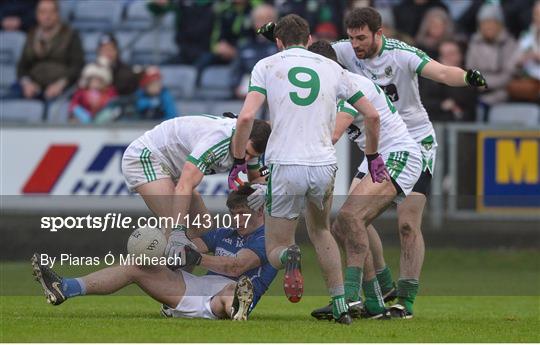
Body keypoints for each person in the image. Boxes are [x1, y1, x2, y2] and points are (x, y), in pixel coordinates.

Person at [229, 14, 389, 324]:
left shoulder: (268, 65)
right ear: (310, 40)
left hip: (285, 164)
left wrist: (238, 162)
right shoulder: (332, 68)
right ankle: (341, 304)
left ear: (278, 42)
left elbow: (246, 117)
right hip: (323, 165)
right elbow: (372, 116)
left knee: (278, 243)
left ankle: (290, 257)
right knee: (321, 230)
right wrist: (372, 157)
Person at [329, 7, 486, 318]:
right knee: (349, 220)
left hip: (415, 142)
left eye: (362, 38)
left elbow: (441, 72)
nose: (356, 45)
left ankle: (405, 300)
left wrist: (468, 76)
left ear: (379, 33)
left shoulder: (401, 54)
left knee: (406, 224)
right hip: (379, 144)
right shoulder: (345, 50)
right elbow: (309, 53)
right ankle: (383, 282)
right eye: (351, 38)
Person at [31, 185, 277, 321]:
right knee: (135, 266)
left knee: (234, 288)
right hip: (194, 288)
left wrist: (197, 258)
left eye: (242, 213)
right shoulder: (225, 232)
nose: (237, 219)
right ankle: (65, 287)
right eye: (234, 213)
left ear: (260, 212)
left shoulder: (267, 238)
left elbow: (236, 267)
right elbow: (189, 250)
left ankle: (235, 308)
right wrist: (161, 250)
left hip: (232, 289)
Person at [306, 40, 422, 320]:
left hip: (398, 153)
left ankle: (352, 297)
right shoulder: (334, 88)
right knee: (341, 226)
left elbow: (332, 134)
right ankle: (374, 298)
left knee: (350, 217)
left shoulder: (349, 85)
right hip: (376, 156)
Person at [122, 114, 271, 267]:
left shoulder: (249, 143)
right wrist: (178, 231)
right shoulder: (216, 141)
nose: (246, 159)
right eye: (246, 153)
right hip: (147, 156)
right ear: (241, 135)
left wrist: (263, 188)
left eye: (252, 156)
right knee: (175, 226)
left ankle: (177, 282)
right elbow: (184, 185)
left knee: (202, 227)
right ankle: (137, 270)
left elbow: (258, 178)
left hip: (172, 167)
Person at [15, 0, 84, 101]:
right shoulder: (31, 35)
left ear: (57, 14)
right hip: (34, 86)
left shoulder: (71, 35)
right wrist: (27, 84)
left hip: (61, 87)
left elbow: (77, 66)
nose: (47, 16)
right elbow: (22, 66)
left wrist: (61, 84)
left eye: (51, 12)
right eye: (43, 12)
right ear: (37, 15)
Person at [465, 3, 518, 120]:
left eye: (491, 22)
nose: (488, 26)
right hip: (477, 93)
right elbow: (470, 70)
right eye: (484, 23)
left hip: (502, 94)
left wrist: (484, 82)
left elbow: (509, 74)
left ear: (499, 24)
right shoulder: (474, 44)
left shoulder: (510, 44)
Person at [420, 40, 477, 122]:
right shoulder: (429, 77)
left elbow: (466, 100)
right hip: (434, 121)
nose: (447, 58)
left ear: (460, 55)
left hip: (461, 124)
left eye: (451, 54)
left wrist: (448, 75)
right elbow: (424, 101)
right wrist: (441, 105)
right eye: (443, 54)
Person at [231, 3, 278, 99]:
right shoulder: (244, 46)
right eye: (259, 19)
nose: (262, 23)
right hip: (246, 90)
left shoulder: (281, 46)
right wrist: (236, 87)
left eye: (267, 19)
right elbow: (236, 72)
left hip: (274, 90)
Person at [508, 0, 540, 103]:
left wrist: (537, 56)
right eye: (536, 15)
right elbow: (512, 64)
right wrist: (520, 61)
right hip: (529, 82)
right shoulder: (526, 36)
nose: (538, 18)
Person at [69, 58, 118, 124]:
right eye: (93, 81)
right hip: (85, 118)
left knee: (108, 113)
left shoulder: (109, 92)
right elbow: (74, 104)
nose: (95, 83)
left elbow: (114, 103)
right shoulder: (82, 92)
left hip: (102, 118)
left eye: (98, 81)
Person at [96, 32, 142, 96]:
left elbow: (121, 90)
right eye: (104, 50)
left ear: (116, 51)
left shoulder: (126, 71)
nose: (107, 53)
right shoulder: (91, 70)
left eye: (110, 49)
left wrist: (108, 70)